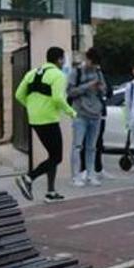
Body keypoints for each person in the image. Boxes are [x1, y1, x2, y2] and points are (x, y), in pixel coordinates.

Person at [15, 46, 77, 203]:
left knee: (52, 156)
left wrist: (32, 107)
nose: (64, 62)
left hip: (34, 119)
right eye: (63, 59)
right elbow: (57, 98)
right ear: (60, 60)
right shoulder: (58, 75)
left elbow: (19, 95)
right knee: (57, 157)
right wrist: (71, 112)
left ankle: (51, 191)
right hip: (49, 119)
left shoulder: (32, 73)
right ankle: (28, 178)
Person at [67, 47, 106, 187]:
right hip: (80, 114)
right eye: (92, 62)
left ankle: (91, 174)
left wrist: (101, 88)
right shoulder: (76, 72)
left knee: (92, 147)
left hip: (95, 114)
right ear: (87, 59)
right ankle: (76, 176)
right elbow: (70, 92)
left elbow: (105, 90)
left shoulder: (98, 72)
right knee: (77, 146)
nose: (94, 66)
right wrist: (88, 86)